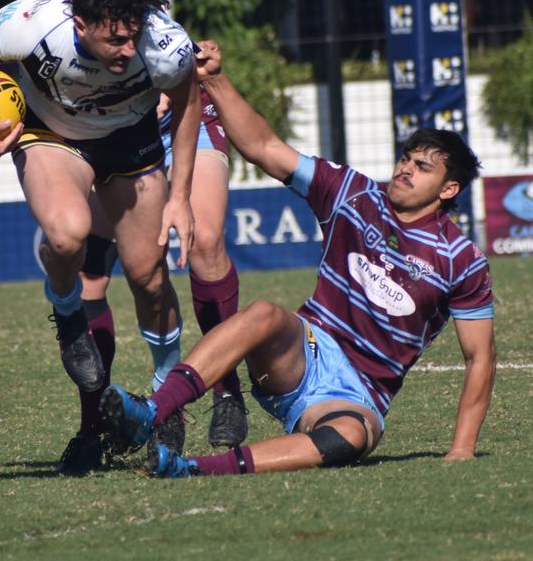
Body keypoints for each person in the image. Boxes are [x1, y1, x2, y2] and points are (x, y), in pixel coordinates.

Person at [101, 40, 496, 478]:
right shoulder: (354, 192)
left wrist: (462, 448)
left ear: (449, 190)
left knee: (350, 437)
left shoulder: (462, 260)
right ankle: (152, 413)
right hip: (303, 352)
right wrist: (213, 78)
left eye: (422, 167)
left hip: (356, 394)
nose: (405, 169)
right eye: (406, 158)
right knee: (266, 313)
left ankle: (189, 467)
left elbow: (480, 357)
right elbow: (264, 146)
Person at [0, 0, 248, 476]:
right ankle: (95, 423)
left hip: (168, 123)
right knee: (91, 273)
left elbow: (174, 68)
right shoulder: (34, 21)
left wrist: (203, 63)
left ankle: (224, 390)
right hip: (93, 139)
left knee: (198, 246)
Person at [0, 0, 202, 464]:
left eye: (131, 37)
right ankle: (66, 309)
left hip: (130, 140)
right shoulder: (32, 22)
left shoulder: (163, 44)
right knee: (69, 235)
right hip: (52, 136)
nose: (125, 50)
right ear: (79, 25)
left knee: (149, 277)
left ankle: (167, 402)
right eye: (113, 39)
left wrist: (180, 195)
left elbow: (187, 103)